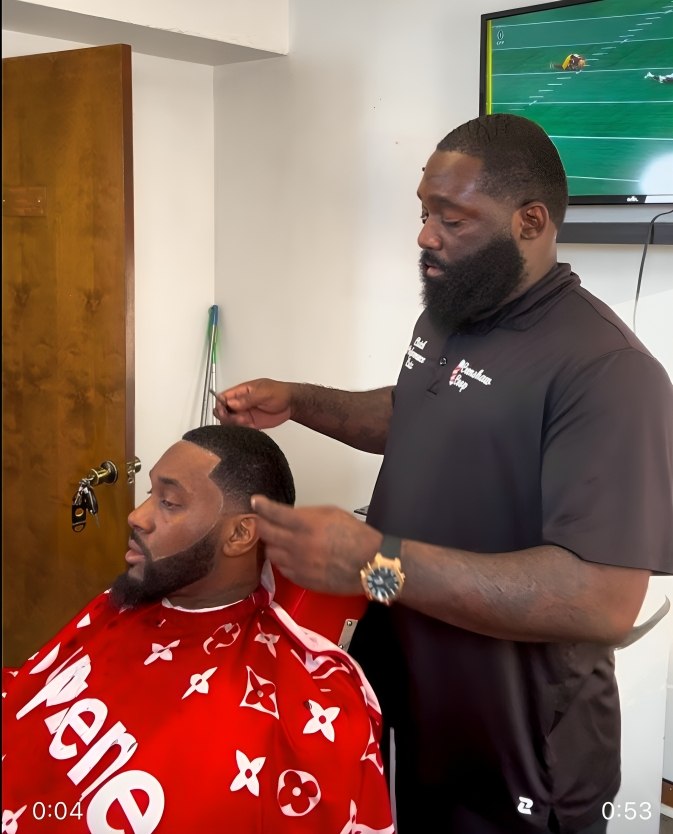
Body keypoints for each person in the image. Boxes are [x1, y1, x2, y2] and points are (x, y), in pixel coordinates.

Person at [214, 114, 673, 834]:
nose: (425, 235)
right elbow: (413, 415)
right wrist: (300, 401)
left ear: (529, 221)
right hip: (413, 705)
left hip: (517, 752)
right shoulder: (453, 313)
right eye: (424, 212)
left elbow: (600, 601)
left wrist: (372, 565)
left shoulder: (606, 372)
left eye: (450, 218)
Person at [2, 426, 393, 834]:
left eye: (169, 502)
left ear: (241, 533)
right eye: (150, 492)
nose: (137, 516)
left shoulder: (303, 714)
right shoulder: (124, 603)